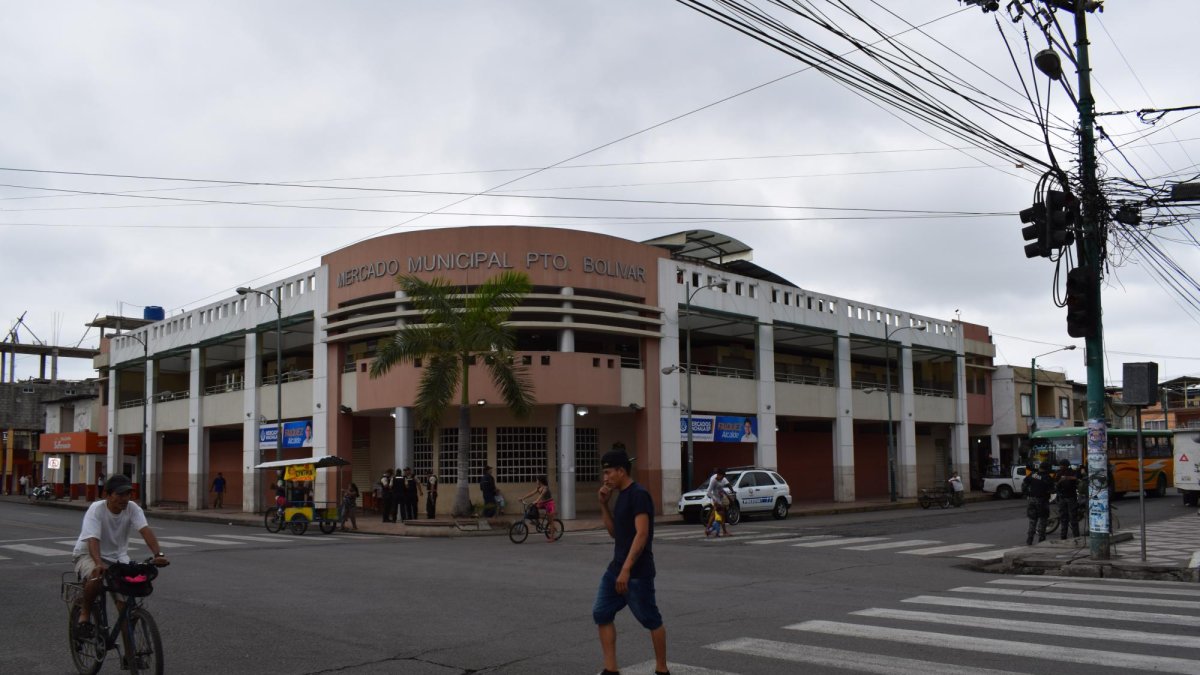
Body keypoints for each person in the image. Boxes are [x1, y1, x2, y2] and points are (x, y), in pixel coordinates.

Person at [594, 449, 668, 675]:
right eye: (604, 473)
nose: (605, 478)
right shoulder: (621, 496)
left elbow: (642, 534)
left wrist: (626, 570)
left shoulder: (638, 495)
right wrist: (604, 505)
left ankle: (662, 669)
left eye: (608, 472)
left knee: (650, 619)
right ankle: (611, 669)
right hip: (615, 569)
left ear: (621, 470)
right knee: (601, 613)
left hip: (637, 573)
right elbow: (615, 533)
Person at [70, 475, 169, 636]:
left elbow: (145, 530)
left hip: (118, 557)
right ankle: (85, 614)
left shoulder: (132, 508)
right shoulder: (97, 509)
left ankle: (131, 658)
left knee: (126, 610)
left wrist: (158, 554)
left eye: (128, 494)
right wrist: (98, 563)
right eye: (120, 494)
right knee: (96, 577)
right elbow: (92, 539)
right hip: (87, 554)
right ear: (107, 495)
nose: (125, 498)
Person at [1024, 461, 1054, 545]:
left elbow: (1024, 484)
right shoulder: (1047, 477)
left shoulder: (1033, 474)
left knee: (1032, 520)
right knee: (1043, 520)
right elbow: (1053, 489)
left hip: (1032, 499)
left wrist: (1027, 493)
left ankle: (1029, 539)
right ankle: (1041, 541)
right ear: (1047, 469)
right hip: (1042, 500)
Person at [1055, 459, 1080, 539]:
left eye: (1062, 465)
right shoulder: (1058, 473)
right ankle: (1063, 537)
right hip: (1062, 497)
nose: (1061, 466)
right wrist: (1060, 481)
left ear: (1066, 465)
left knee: (1073, 518)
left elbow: (1077, 478)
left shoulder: (1072, 472)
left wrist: (1067, 478)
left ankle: (1076, 536)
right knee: (1063, 518)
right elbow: (1055, 484)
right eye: (1060, 465)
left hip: (1071, 497)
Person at [704, 468, 732, 537]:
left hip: (719, 498)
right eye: (722, 476)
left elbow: (722, 488)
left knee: (714, 515)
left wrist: (727, 495)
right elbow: (708, 492)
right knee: (722, 515)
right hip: (716, 499)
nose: (722, 479)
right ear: (718, 475)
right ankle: (724, 532)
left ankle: (708, 530)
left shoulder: (723, 479)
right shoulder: (713, 480)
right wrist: (715, 500)